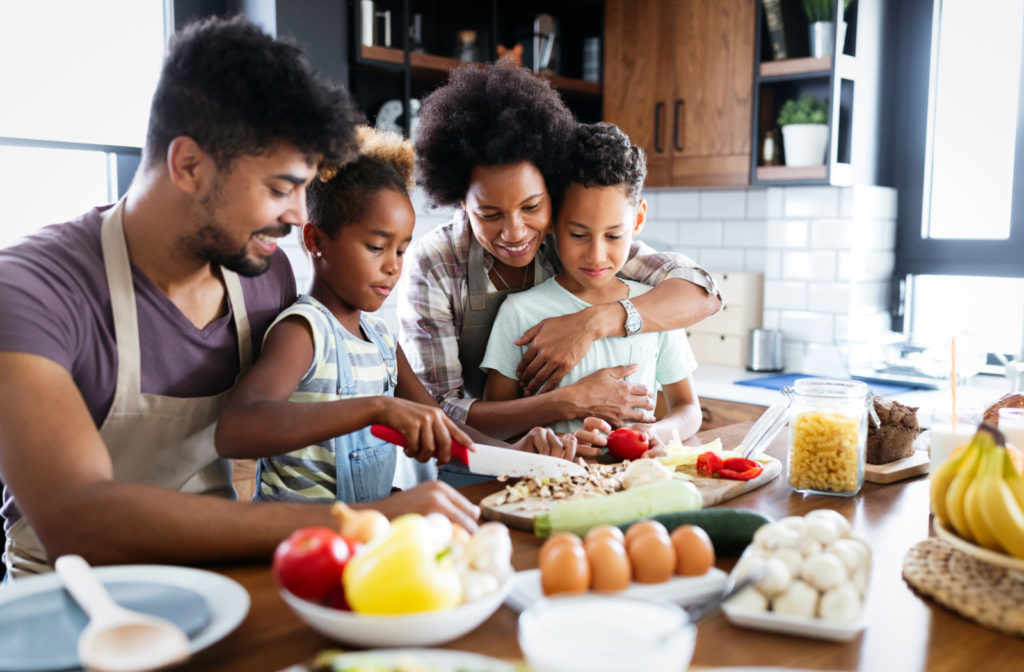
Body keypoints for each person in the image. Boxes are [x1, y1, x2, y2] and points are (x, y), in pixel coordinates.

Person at [0, 16, 433, 579]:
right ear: (188, 165)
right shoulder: (30, 291)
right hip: (72, 603)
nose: (299, 216)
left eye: (304, 188)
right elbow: (77, 522)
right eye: (280, 189)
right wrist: (358, 522)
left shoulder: (264, 277)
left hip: (218, 580)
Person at [214, 127, 574, 508]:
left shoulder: (382, 341)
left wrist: (519, 455)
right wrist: (375, 407)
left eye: (401, 250)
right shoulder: (303, 331)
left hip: (362, 538)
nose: (393, 267)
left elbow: (445, 430)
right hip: (295, 543)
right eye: (376, 247)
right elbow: (237, 431)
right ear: (316, 241)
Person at [398, 61, 720, 459]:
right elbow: (440, 410)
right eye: (489, 214)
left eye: (531, 206)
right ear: (461, 201)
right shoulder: (435, 263)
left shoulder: (573, 239)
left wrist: (589, 324)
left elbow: (702, 293)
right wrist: (572, 402)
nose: (515, 232)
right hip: (465, 461)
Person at [480, 122, 702, 452]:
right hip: (548, 489)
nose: (597, 255)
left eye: (613, 235)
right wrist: (553, 443)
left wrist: (661, 433)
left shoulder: (654, 308)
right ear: (552, 220)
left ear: (638, 220)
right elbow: (493, 427)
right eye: (579, 235)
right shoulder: (520, 312)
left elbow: (688, 408)